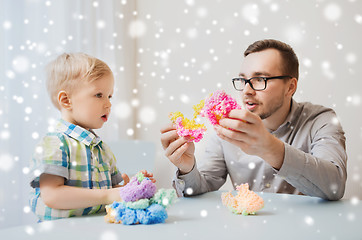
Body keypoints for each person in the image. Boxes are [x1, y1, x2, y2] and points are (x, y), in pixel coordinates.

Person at [160, 39, 347, 201]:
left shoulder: (320, 120)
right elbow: (200, 189)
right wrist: (187, 169)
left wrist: (271, 148)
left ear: (290, 87)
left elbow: (334, 186)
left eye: (260, 79)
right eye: (243, 80)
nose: (247, 91)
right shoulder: (227, 127)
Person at [29, 53, 154, 221]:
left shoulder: (102, 149)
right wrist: (108, 195)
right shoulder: (54, 143)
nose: (108, 103)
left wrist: (130, 188)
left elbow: (113, 193)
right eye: (99, 95)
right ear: (66, 100)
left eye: (110, 96)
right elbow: (52, 196)